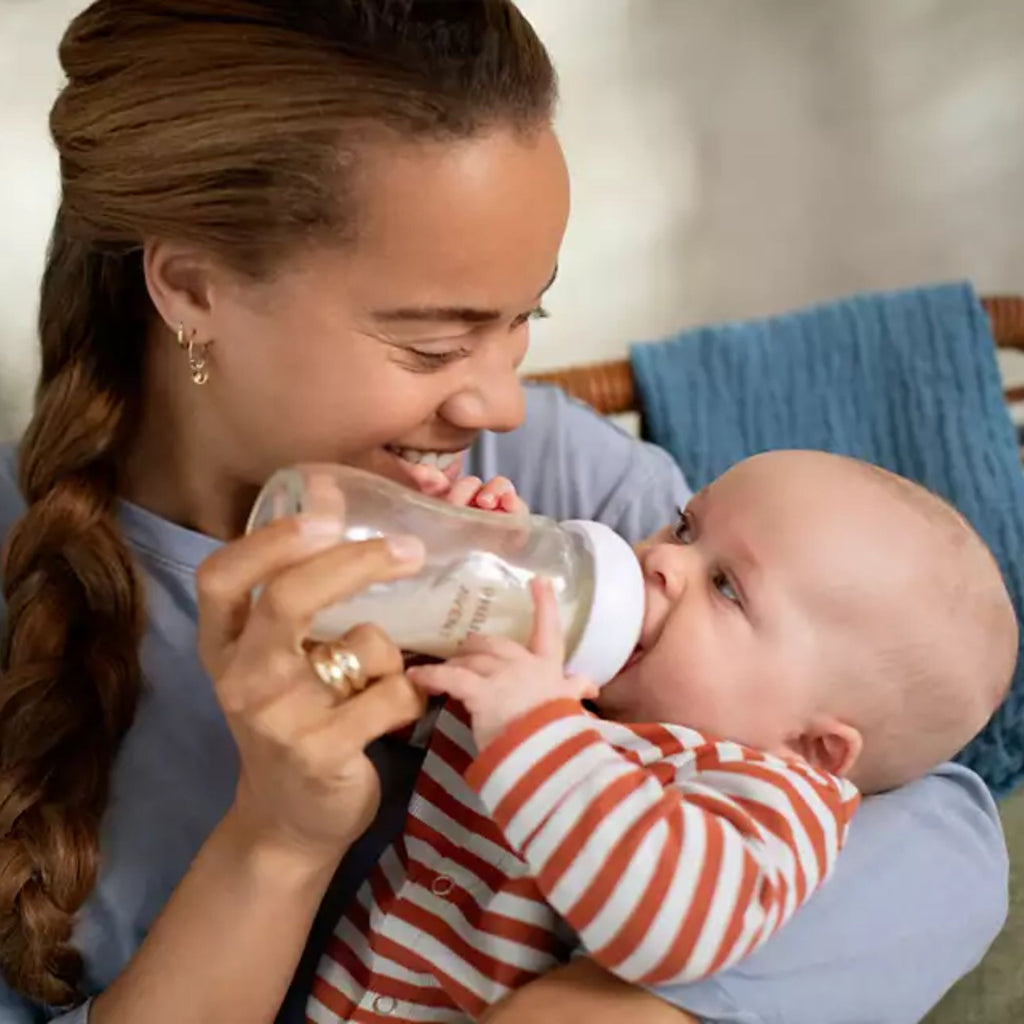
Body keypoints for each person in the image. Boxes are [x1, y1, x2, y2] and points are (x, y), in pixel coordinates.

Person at [0, 3, 1006, 1024]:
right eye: (434, 346)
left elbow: (931, 823)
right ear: (191, 286)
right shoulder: (30, 587)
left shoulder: (536, 471)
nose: (501, 403)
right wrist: (278, 839)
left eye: (527, 318)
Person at [309, 450, 1016, 1022]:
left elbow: (672, 929)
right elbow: (400, 708)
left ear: (813, 747)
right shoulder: (577, 691)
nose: (663, 561)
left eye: (727, 587)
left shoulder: (774, 799)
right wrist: (467, 571)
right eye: (684, 527)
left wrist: (536, 729)